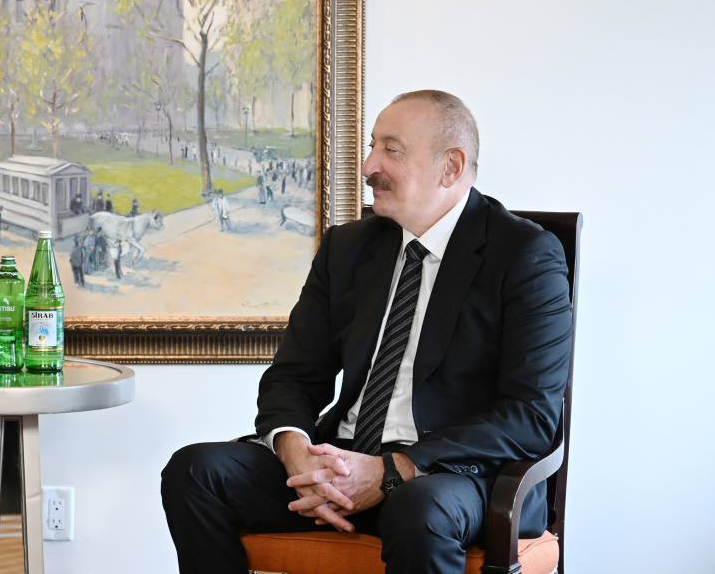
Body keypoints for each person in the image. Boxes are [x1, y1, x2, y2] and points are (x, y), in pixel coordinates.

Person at [161, 90, 571, 574]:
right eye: (372, 146)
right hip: (344, 460)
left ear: (451, 167)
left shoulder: (524, 254)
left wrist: (393, 470)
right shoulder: (348, 246)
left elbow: (529, 416)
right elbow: (294, 375)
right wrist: (297, 455)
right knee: (195, 472)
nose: (368, 166)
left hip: (454, 474)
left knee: (417, 508)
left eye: (391, 150)